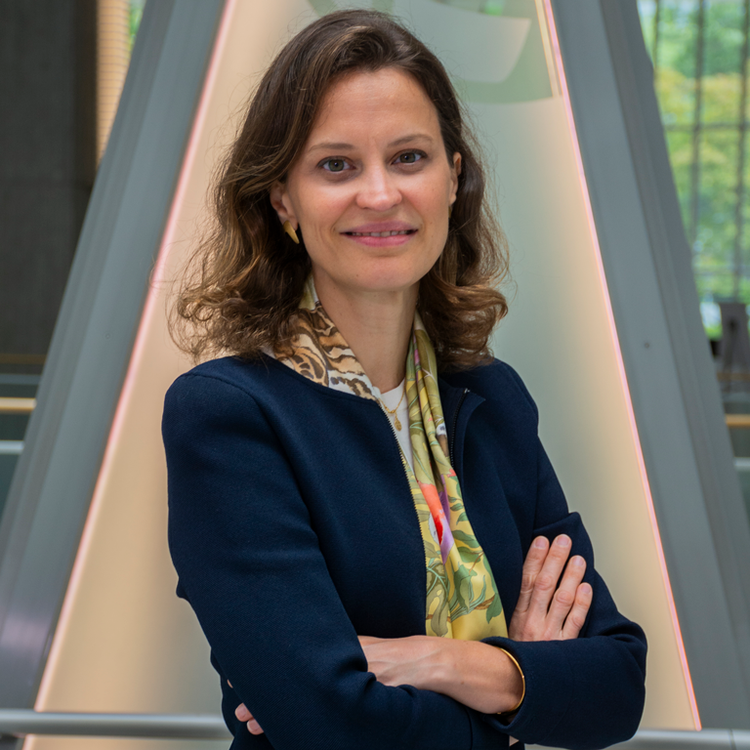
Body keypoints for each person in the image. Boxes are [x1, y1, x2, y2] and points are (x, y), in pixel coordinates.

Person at [162, 9, 647, 750]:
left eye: (409, 157)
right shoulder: (229, 417)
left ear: (454, 177)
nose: (380, 194)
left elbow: (616, 685)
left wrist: (442, 662)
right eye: (336, 165)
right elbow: (332, 724)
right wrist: (523, 689)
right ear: (283, 199)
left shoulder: (493, 400)